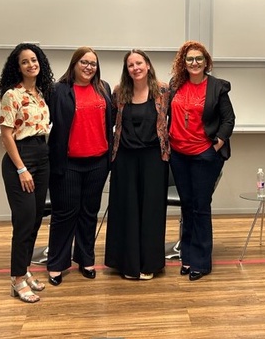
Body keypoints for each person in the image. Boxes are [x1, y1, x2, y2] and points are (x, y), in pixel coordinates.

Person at [168, 41, 235, 281]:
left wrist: (216, 144)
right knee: (187, 208)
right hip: (179, 155)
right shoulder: (176, 86)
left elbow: (229, 119)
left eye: (199, 59)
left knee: (201, 207)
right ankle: (186, 258)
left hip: (204, 156)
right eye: (189, 59)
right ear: (183, 63)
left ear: (206, 62)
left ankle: (201, 262)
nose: (194, 63)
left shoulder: (217, 87)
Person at [46, 47, 113, 286]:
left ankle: (86, 259)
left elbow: (111, 121)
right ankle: (56, 263)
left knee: (88, 214)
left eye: (93, 63)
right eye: (84, 62)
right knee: (65, 214)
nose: (88, 67)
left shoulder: (103, 88)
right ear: (74, 64)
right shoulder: (58, 90)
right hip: (68, 163)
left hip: (98, 162)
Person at [104, 49, 170, 280]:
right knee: (126, 209)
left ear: (148, 65)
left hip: (154, 157)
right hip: (124, 157)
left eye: (139, 63)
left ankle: (148, 263)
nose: (136, 68)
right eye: (131, 65)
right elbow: (109, 121)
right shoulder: (119, 92)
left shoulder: (163, 90)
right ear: (127, 69)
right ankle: (126, 264)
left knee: (151, 210)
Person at [0, 43, 54, 303]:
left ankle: (25, 270)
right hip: (20, 159)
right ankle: (17, 279)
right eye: (25, 61)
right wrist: (21, 168)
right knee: (24, 220)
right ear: (17, 67)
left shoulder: (41, 94)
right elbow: (6, 134)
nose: (31, 64)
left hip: (42, 157)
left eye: (34, 59)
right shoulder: (12, 95)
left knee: (35, 220)